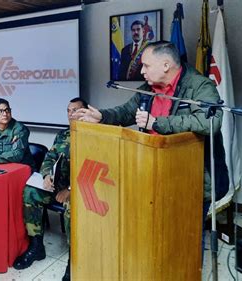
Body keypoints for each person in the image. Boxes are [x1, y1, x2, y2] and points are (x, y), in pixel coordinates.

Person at [75, 41, 228, 252]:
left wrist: (156, 123)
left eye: (146, 65)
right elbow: (126, 111)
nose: (142, 70)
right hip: (151, 173)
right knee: (157, 231)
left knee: (186, 238)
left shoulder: (200, 86)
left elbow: (208, 122)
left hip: (191, 179)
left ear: (165, 65)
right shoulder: (147, 89)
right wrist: (102, 116)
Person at [13, 98, 88, 281]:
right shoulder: (63, 135)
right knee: (30, 193)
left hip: (82, 191)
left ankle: (75, 260)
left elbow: (92, 169)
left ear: (85, 112)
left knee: (71, 207)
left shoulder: (96, 136)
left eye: (76, 111)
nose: (71, 114)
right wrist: (46, 175)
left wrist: (70, 190)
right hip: (57, 186)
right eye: (68, 111)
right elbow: (49, 157)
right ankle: (36, 246)